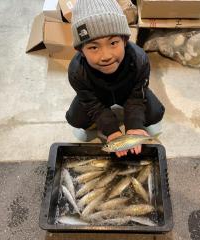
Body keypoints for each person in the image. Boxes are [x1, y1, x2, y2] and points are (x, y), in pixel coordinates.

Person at [65, 0, 165, 157]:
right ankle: (103, 120)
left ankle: (129, 115)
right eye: (93, 47)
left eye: (113, 42)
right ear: (81, 51)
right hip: (97, 96)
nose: (106, 56)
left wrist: (134, 124)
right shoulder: (76, 72)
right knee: (75, 119)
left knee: (155, 113)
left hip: (129, 92)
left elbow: (137, 96)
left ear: (125, 40)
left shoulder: (140, 60)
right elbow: (92, 104)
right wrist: (111, 129)